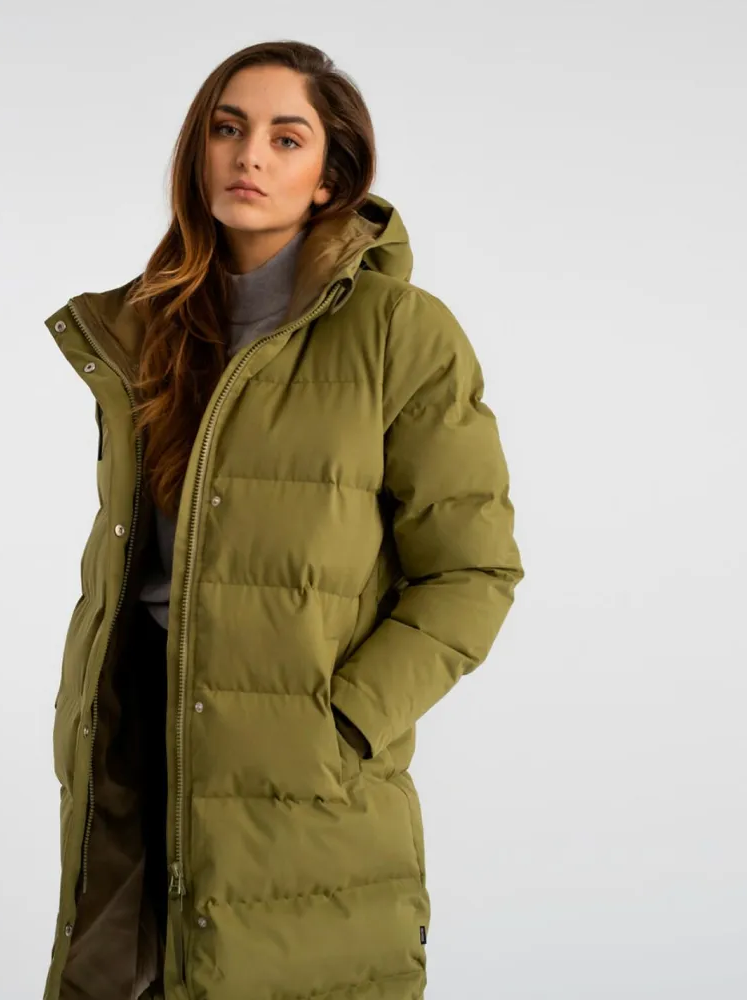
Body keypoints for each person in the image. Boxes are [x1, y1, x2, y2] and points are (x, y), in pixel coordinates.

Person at [41, 39, 524, 1000]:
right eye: (228, 129)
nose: (249, 155)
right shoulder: (145, 331)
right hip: (135, 745)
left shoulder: (400, 332)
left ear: (329, 177)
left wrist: (343, 722)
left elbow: (473, 572)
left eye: (285, 137)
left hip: (299, 773)